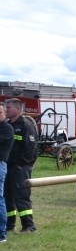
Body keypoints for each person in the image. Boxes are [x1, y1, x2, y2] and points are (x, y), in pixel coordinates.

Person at [4, 98, 38, 234]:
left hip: (20, 167)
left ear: (18, 109)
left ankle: (28, 226)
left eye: (9, 108)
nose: (6, 110)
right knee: (8, 196)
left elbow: (31, 148)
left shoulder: (26, 125)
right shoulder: (8, 125)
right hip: (8, 166)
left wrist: (20, 164)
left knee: (21, 196)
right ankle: (10, 224)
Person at [0, 101, 14, 243]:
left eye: (0, 112)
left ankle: (1, 234)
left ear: (4, 114)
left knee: (0, 199)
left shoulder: (7, 128)